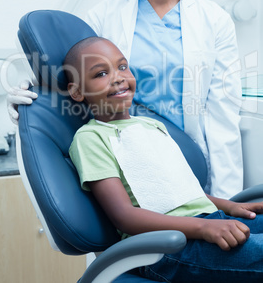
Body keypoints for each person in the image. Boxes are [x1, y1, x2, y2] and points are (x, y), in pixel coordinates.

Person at [7, 0, 243, 199]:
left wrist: (228, 199)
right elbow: (72, 77)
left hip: (190, 157)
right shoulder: (103, 17)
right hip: (128, 160)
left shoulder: (215, 20)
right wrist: (31, 90)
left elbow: (223, 113)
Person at [65, 36, 263, 283]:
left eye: (122, 66)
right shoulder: (91, 137)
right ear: (76, 91)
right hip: (166, 248)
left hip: (210, 220)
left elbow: (179, 190)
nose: (118, 77)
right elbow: (123, 216)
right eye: (101, 73)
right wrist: (203, 228)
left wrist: (230, 206)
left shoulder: (152, 125)